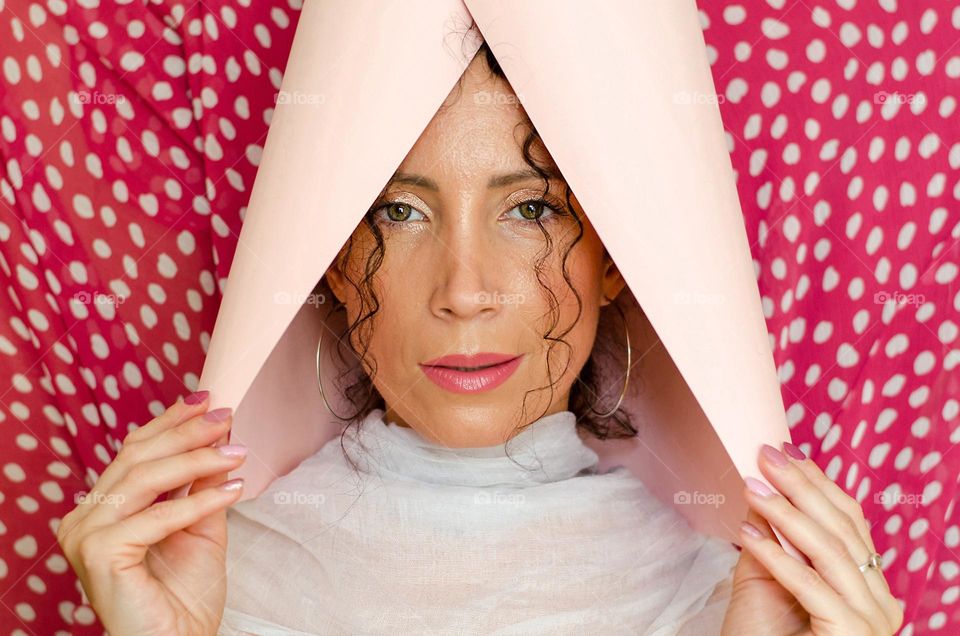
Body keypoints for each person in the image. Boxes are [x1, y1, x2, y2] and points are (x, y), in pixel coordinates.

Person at [56, 42, 903, 635]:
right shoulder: (202, 580)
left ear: (613, 260)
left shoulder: (741, 600)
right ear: (336, 264)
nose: (465, 292)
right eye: (400, 211)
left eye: (531, 209)